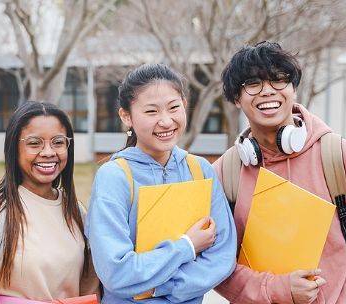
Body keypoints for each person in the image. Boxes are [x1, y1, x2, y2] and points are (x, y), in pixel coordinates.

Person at [213, 41, 346, 304]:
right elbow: (216, 266)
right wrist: (278, 289)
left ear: (293, 89)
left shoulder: (342, 157)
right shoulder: (224, 173)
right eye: (252, 84)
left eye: (279, 80)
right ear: (236, 98)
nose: (267, 91)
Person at [85, 63, 237, 303]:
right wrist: (187, 246)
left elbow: (222, 257)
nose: (166, 121)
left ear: (184, 105)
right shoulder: (114, 176)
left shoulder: (201, 170)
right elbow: (116, 272)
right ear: (126, 116)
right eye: (152, 112)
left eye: (174, 107)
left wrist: (155, 288)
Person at [0, 101, 100, 303]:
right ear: (14, 148)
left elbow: (89, 288)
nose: (48, 152)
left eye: (58, 142)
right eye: (34, 143)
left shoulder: (76, 211)